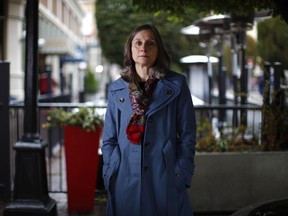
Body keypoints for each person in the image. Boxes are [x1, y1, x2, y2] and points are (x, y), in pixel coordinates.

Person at [102, 24, 196, 216]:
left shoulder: (177, 85)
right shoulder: (116, 89)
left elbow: (188, 134)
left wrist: (182, 172)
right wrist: (110, 170)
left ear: (158, 49)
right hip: (124, 176)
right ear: (130, 49)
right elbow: (109, 139)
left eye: (150, 43)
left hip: (165, 177)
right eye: (138, 43)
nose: (143, 47)